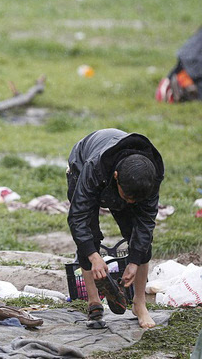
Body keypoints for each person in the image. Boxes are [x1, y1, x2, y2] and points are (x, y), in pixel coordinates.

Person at [66, 128, 164, 329]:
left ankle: (139, 304)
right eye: (127, 198)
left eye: (134, 200)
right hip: (85, 162)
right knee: (89, 235)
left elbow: (146, 225)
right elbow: (78, 218)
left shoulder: (149, 178)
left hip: (127, 178)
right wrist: (94, 257)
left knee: (141, 239)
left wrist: (134, 261)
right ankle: (94, 302)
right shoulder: (93, 168)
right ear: (117, 177)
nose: (130, 202)